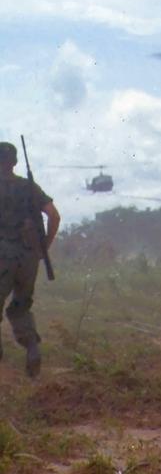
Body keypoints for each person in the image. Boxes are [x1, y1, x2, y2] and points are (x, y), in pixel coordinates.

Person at [0, 141, 60, 378]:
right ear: (14, 163)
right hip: (28, 257)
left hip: (2, 256)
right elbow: (54, 215)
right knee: (21, 306)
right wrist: (43, 247)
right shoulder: (29, 187)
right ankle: (32, 347)